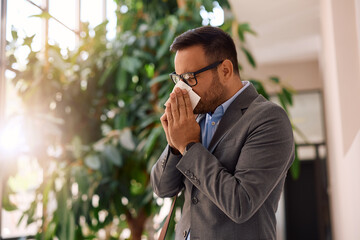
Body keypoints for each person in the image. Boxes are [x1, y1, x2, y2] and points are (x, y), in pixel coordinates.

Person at [151, 26, 294, 240]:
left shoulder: (269, 119)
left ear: (225, 70)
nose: (182, 89)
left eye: (190, 77)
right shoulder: (195, 118)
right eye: (178, 78)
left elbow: (240, 204)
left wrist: (189, 147)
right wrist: (174, 144)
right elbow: (162, 188)